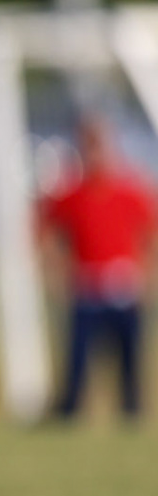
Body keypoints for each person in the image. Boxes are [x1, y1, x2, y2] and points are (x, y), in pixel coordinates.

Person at [41, 116, 156, 424]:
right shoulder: (72, 193)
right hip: (88, 286)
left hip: (122, 286)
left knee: (130, 362)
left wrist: (147, 276)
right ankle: (69, 413)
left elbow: (150, 233)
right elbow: (46, 231)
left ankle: (131, 414)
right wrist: (56, 271)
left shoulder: (130, 189)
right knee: (78, 360)